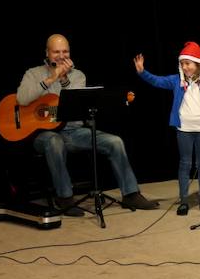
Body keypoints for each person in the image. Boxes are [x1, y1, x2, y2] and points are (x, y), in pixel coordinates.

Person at [17, 34, 159, 216]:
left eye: (65, 51)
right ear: (47, 53)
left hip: (73, 131)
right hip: (43, 133)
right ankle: (65, 198)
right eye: (56, 51)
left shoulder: (77, 76)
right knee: (54, 142)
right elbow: (22, 98)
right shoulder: (33, 73)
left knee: (115, 142)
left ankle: (131, 193)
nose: (61, 55)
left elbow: (75, 109)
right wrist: (51, 78)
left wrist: (64, 79)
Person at [134, 42, 200, 215]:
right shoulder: (176, 81)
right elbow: (157, 81)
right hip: (184, 130)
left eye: (188, 63)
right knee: (185, 164)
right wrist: (142, 72)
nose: (185, 67)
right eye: (182, 63)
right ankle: (184, 200)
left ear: (198, 64)